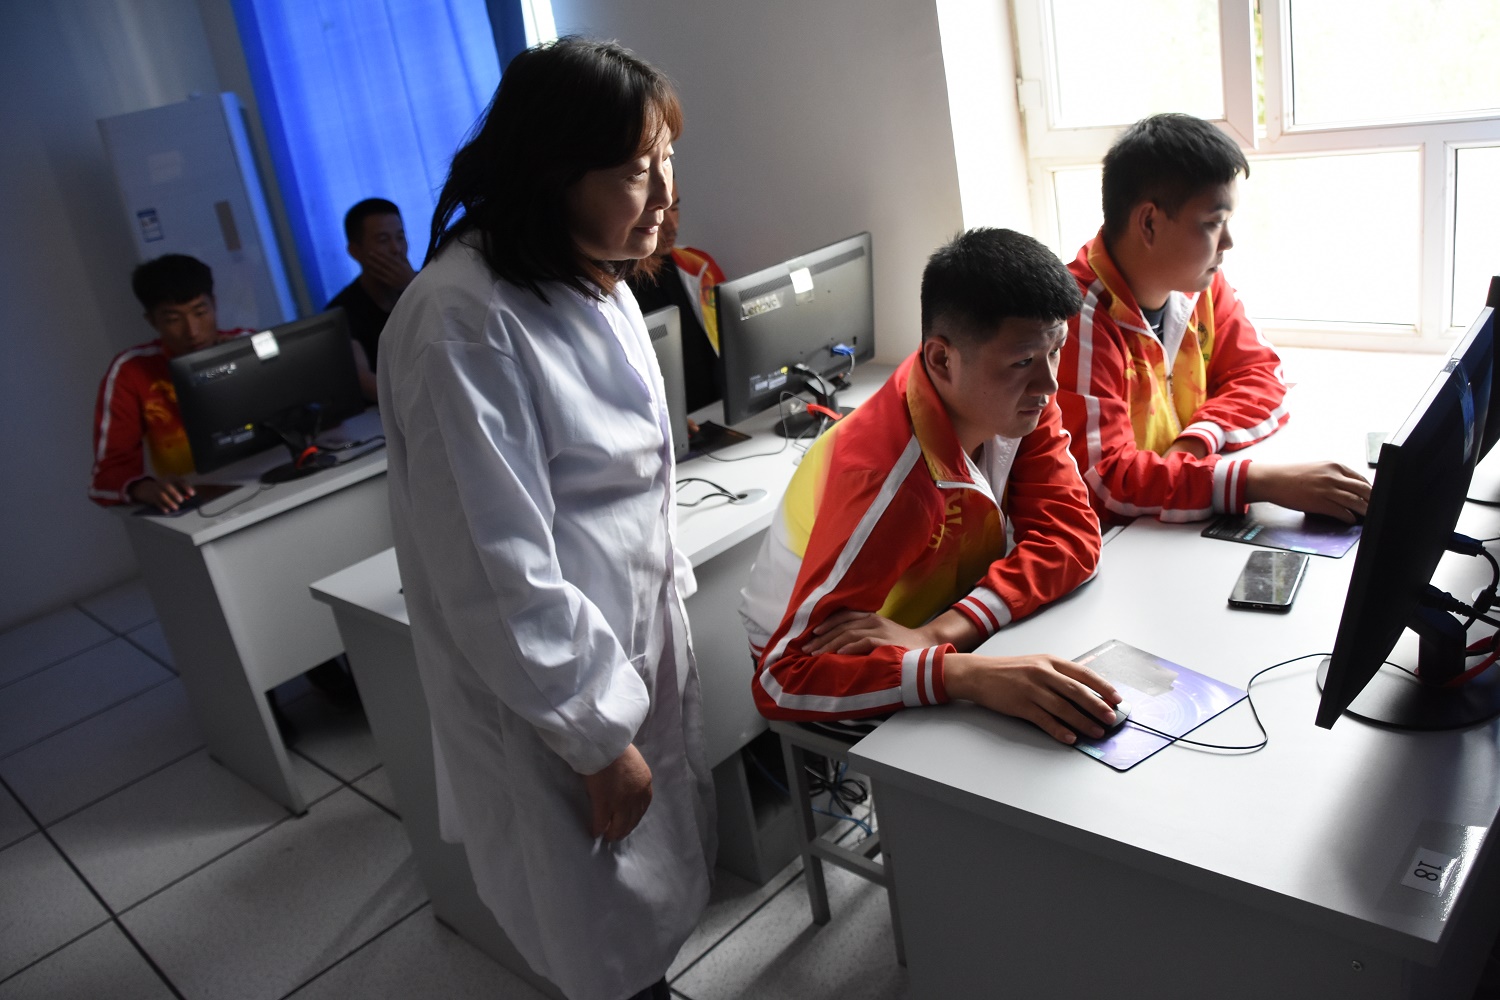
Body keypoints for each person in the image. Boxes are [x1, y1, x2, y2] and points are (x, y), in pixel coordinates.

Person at [377, 37, 712, 1000]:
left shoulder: (588, 271)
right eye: (636, 171)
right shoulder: (462, 320)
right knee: (594, 916)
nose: (665, 196)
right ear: (551, 170)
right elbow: (496, 566)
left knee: (646, 897)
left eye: (666, 161)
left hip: (629, 642)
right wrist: (595, 734)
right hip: (552, 694)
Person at [740, 228, 1123, 746]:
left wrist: (942, 633)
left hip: (926, 623)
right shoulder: (890, 482)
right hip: (818, 662)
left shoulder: (1013, 403)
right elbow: (782, 681)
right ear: (941, 359)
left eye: (1055, 350)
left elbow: (1070, 537)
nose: (1049, 384)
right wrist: (962, 674)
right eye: (1023, 362)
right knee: (1014, 755)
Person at [1057, 113, 1371, 524]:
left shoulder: (1198, 284)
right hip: (1115, 542)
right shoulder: (1076, 321)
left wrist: (1197, 440)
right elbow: (1104, 481)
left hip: (1164, 521)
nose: (1229, 242)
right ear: (1148, 223)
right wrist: (1259, 481)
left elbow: (1261, 375)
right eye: (1213, 223)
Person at [90, 254, 250, 513]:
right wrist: (145, 488)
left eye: (200, 312)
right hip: (201, 506)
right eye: (173, 320)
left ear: (214, 304)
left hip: (273, 480)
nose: (192, 331)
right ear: (152, 321)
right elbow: (106, 477)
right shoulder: (132, 371)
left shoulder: (248, 344)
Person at [626, 185, 725, 413]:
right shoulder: (611, 292)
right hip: (658, 420)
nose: (671, 226)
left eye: (674, 209)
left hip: (715, 412)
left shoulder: (698, 267)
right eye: (658, 212)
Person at [325, 197, 415, 399]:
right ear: (355, 251)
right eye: (383, 240)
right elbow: (362, 379)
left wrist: (412, 288)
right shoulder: (343, 311)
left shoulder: (425, 286)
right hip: (394, 407)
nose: (396, 249)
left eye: (400, 237)